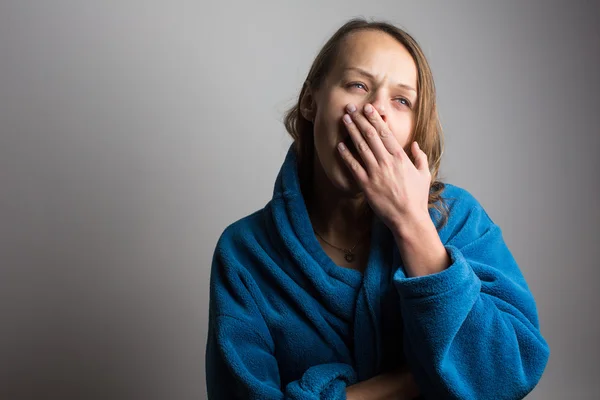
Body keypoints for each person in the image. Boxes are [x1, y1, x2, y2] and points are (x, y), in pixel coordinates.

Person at [205, 18, 550, 400]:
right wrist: (409, 384)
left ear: (416, 128)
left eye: (401, 100)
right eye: (358, 85)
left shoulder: (458, 218)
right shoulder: (244, 253)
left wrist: (412, 224)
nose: (375, 112)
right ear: (309, 100)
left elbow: (508, 374)